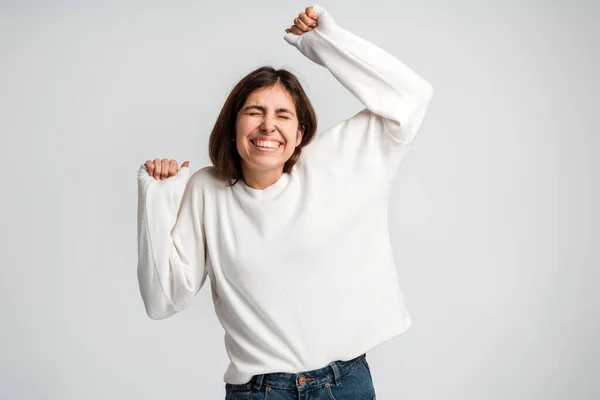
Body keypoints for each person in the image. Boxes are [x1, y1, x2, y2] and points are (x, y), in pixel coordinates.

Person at [136, 4, 433, 399]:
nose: (268, 125)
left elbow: (412, 98)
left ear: (300, 131)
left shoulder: (335, 163)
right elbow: (163, 299)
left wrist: (325, 44)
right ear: (233, 125)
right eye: (254, 111)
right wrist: (157, 199)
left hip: (344, 386)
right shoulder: (207, 190)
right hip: (260, 392)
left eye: (283, 115)